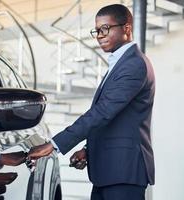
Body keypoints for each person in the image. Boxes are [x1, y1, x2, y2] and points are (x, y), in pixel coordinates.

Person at [28, 4, 155, 200]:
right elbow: (115, 120)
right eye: (96, 30)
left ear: (127, 28)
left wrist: (55, 144)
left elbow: (103, 112)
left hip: (124, 171)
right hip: (110, 172)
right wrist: (89, 149)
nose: (99, 35)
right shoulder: (122, 63)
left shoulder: (134, 64)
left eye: (105, 28)